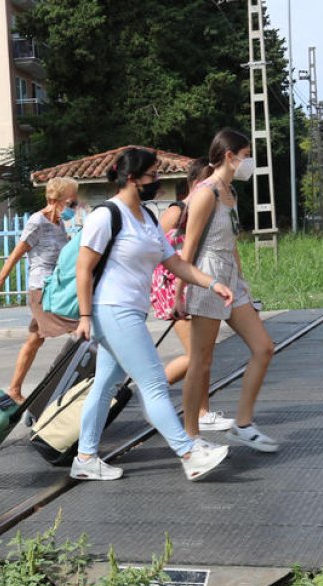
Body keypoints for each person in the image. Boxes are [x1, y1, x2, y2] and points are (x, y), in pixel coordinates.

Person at [71, 147, 235, 482]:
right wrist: (85, 316)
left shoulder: (145, 217)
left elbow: (173, 262)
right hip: (112, 309)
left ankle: (85, 457)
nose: (156, 182)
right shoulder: (106, 216)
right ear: (131, 179)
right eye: (151, 176)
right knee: (155, 383)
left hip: (130, 309)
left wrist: (211, 282)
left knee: (105, 385)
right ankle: (189, 454)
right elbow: (83, 268)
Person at [180, 129, 278, 452]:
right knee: (201, 361)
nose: (249, 161)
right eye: (246, 155)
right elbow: (189, 247)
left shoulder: (230, 192)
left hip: (231, 279)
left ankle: (244, 424)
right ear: (229, 156)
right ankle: (191, 437)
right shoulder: (205, 192)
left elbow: (232, 242)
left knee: (264, 347)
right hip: (206, 277)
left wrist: (243, 281)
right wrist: (182, 291)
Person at [0, 177, 80, 403]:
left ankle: (14, 389)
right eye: (71, 203)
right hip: (41, 290)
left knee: (35, 340)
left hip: (55, 287)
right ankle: (67, 387)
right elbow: (15, 256)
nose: (75, 208)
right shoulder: (37, 221)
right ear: (55, 201)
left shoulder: (60, 224)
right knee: (80, 329)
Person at [149, 157, 228, 430]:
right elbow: (153, 247)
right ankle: (151, 393)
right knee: (196, 356)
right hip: (174, 288)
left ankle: (204, 412)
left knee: (204, 356)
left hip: (195, 285)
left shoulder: (206, 211)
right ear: (197, 183)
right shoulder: (177, 210)